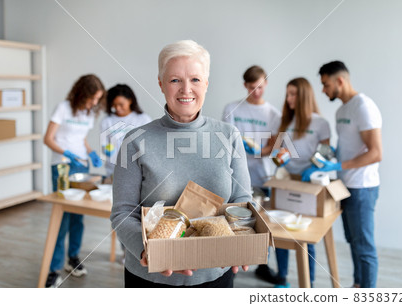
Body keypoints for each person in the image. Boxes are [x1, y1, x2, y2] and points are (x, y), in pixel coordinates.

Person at [110, 40, 251, 287]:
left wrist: (241, 243)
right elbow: (123, 213)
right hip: (152, 277)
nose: (186, 90)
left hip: (214, 275)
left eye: (195, 80)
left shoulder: (229, 136)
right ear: (161, 84)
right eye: (175, 80)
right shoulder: (135, 141)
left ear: (206, 83)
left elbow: (243, 200)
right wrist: (146, 251)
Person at [313, 61, 382, 288]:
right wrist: (331, 156)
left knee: (364, 246)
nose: (323, 90)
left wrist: (338, 165)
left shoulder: (363, 106)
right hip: (344, 186)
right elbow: (350, 145)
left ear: (339, 81)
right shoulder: (342, 110)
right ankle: (358, 287)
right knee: (353, 241)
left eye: (325, 84)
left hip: (362, 187)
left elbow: (375, 153)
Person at [265, 77, 331, 287]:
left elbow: (326, 155)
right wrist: (280, 156)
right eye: (287, 94)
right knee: (281, 230)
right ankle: (282, 277)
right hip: (286, 182)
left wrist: (313, 166)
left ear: (304, 96)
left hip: (309, 184)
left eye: (293, 94)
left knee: (306, 234)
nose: (289, 99)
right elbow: (275, 155)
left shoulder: (321, 124)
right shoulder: (283, 121)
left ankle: (308, 282)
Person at [43, 74, 105, 288]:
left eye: (97, 99)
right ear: (81, 93)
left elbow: (82, 138)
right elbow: (48, 138)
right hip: (61, 166)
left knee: (78, 215)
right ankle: (53, 270)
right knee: (62, 217)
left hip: (81, 166)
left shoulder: (88, 113)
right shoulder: (63, 108)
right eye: (92, 98)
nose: (94, 103)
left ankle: (73, 258)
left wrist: (90, 152)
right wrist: (66, 153)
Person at [222, 65, 281, 283]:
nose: (256, 92)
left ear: (265, 84)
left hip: (262, 176)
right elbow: (225, 141)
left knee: (264, 223)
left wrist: (260, 151)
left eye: (260, 87)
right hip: (235, 175)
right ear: (245, 85)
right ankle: (230, 262)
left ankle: (262, 263)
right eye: (251, 87)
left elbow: (275, 148)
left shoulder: (274, 115)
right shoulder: (232, 108)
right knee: (234, 219)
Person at [101, 84, 151, 178]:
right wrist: (106, 151)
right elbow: (104, 144)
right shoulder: (107, 121)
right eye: (114, 105)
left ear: (130, 100)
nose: (117, 108)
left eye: (121, 104)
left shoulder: (143, 119)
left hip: (137, 169)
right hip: (113, 170)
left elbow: (149, 145)